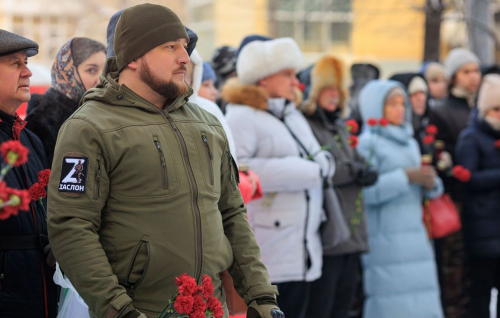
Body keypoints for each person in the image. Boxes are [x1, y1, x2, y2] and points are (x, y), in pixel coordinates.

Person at [47, 4, 282, 318]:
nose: (184, 57)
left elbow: (232, 213)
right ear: (132, 56)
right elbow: (71, 228)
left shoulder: (206, 123)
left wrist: (260, 296)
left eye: (183, 47)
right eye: (170, 47)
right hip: (139, 309)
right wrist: (117, 309)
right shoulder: (88, 127)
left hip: (210, 308)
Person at [222, 38, 335, 318]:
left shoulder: (291, 113)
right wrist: (309, 171)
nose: (295, 82)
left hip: (303, 245)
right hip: (269, 247)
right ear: (263, 78)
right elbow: (240, 172)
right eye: (287, 74)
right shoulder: (241, 117)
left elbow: (321, 156)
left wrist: (317, 167)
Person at [357, 80, 444, 318]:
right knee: (391, 304)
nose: (400, 109)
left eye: (402, 103)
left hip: (416, 235)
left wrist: (431, 183)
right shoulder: (367, 144)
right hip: (385, 238)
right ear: (375, 108)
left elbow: (425, 189)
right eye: (391, 104)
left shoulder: (410, 141)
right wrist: (404, 177)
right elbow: (365, 194)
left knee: (422, 302)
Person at [301, 55, 378, 318]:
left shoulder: (340, 125)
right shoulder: (307, 125)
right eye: (327, 89)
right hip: (329, 233)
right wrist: (356, 171)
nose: (334, 95)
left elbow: (353, 161)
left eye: (338, 89)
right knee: (323, 305)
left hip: (352, 231)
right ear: (314, 92)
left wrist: (368, 170)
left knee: (344, 303)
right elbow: (324, 169)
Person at [0, 29, 58, 318]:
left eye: (26, 62)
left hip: (38, 294)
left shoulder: (29, 139)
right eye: (15, 63)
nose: (28, 72)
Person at [428, 48, 481, 318]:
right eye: (466, 71)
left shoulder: (482, 108)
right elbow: (441, 157)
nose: (473, 77)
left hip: (483, 200)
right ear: (453, 77)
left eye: (476, 70)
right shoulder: (442, 111)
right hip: (455, 199)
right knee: (455, 269)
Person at [456, 74, 500, 318]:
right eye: (496, 109)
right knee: (481, 290)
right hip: (483, 228)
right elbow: (468, 178)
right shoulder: (471, 138)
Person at [25, 37, 106, 164]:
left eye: (106, 71)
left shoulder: (102, 114)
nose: (101, 79)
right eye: (91, 70)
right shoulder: (42, 120)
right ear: (68, 73)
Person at [389, 73, 430, 154]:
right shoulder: (394, 135)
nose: (420, 98)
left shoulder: (427, 124)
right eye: (414, 94)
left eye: (423, 93)